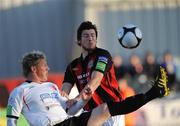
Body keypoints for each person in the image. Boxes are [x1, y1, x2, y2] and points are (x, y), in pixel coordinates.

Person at [6, 50, 170, 126]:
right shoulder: (19, 91)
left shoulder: (52, 87)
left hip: (69, 121)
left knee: (105, 108)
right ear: (33, 69)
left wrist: (83, 100)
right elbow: (10, 122)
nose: (48, 68)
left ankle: (155, 92)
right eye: (44, 66)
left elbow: (69, 110)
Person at [60, 21, 168, 126]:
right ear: (79, 40)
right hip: (90, 114)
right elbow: (64, 93)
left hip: (111, 112)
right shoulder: (73, 66)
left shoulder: (102, 55)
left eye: (93, 35)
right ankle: (155, 91)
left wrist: (77, 99)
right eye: (86, 35)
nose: (90, 38)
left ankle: (155, 91)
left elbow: (96, 80)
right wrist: (64, 103)